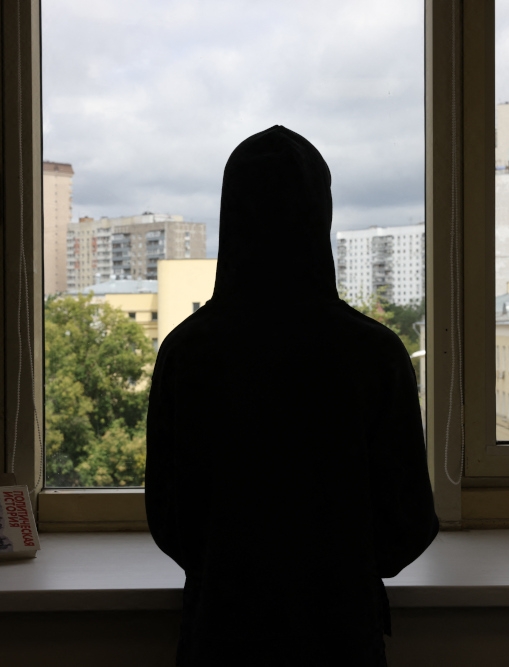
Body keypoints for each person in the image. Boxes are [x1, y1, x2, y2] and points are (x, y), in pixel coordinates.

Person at [145, 125, 438, 666]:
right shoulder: (375, 354)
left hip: (220, 638)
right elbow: (409, 525)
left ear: (231, 212)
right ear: (319, 214)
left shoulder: (187, 353)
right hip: (341, 638)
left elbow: (169, 519)